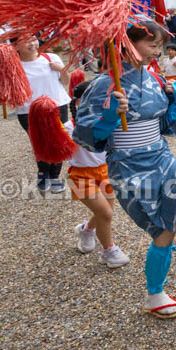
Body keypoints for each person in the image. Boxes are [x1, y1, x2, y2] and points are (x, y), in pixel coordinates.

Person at [74, 20, 176, 318]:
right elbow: (85, 138)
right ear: (127, 44)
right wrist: (109, 118)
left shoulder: (155, 79)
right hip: (128, 165)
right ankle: (155, 295)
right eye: (152, 45)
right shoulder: (103, 85)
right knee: (163, 232)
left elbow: (164, 127)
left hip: (160, 154)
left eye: (160, 46)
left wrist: (175, 103)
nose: (157, 52)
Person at [67, 80, 129, 269]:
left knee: (104, 213)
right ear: (80, 102)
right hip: (79, 176)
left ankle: (86, 230)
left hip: (105, 171)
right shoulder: (67, 127)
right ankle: (109, 251)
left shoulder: (110, 122)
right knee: (105, 213)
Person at [13, 35, 71, 193]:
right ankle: (43, 173)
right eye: (26, 41)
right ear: (16, 45)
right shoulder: (14, 65)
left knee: (58, 141)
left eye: (33, 39)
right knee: (39, 142)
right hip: (29, 110)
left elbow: (65, 81)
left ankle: (55, 176)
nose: (32, 43)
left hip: (57, 105)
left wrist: (61, 70)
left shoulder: (51, 58)